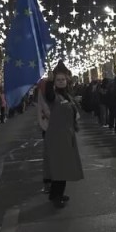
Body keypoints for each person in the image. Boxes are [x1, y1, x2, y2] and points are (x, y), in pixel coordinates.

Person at [43, 62, 84, 208]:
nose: (61, 82)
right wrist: (49, 81)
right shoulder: (53, 95)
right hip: (57, 136)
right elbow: (48, 95)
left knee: (65, 166)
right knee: (59, 167)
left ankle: (58, 194)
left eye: (63, 80)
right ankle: (55, 196)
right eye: (58, 80)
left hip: (67, 134)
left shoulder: (66, 95)